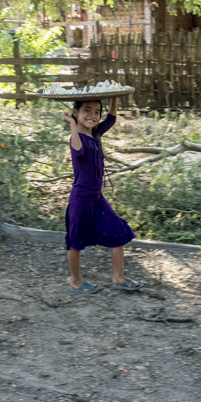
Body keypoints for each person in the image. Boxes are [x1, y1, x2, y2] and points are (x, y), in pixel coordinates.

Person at [62, 97, 140, 294]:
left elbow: (111, 119)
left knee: (117, 231)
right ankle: (75, 279)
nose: (93, 115)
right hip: (80, 200)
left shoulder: (95, 133)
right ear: (75, 113)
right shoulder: (76, 137)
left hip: (97, 199)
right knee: (75, 240)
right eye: (87, 110)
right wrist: (72, 125)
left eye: (97, 111)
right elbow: (78, 152)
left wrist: (114, 99)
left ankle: (118, 276)